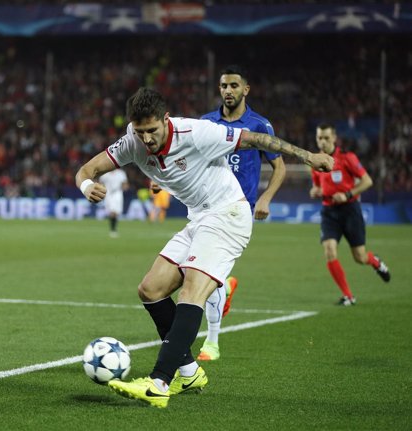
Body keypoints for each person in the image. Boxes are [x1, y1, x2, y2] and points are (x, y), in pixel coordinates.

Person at [76, 87, 333, 408]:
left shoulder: (197, 133)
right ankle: (188, 370)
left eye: (152, 131)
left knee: (191, 292)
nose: (146, 140)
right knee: (151, 289)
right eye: (140, 132)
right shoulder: (132, 142)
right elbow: (87, 170)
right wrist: (87, 186)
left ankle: (159, 383)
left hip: (228, 215)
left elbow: (255, 139)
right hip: (198, 219)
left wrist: (309, 157)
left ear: (166, 121)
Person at [196, 65, 286, 361]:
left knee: (205, 272)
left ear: (245, 89)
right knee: (204, 273)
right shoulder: (206, 122)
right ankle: (225, 287)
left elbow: (280, 166)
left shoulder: (260, 125)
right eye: (224, 86)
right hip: (205, 206)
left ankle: (211, 342)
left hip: (238, 210)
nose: (228, 91)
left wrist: (266, 198)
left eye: (234, 85)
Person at [309, 123, 391, 306]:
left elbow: (367, 181)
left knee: (360, 257)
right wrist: (315, 190)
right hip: (329, 212)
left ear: (334, 138)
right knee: (329, 251)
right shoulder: (314, 161)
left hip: (350, 210)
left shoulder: (347, 158)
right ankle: (348, 296)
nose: (322, 142)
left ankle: (375, 262)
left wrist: (347, 194)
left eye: (326, 138)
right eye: (319, 138)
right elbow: (317, 185)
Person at [97, 168, 128, 237]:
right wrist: (102, 189)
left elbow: (125, 183)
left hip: (118, 193)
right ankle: (113, 230)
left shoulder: (121, 173)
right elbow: (100, 182)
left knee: (116, 213)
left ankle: (113, 229)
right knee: (112, 212)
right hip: (108, 194)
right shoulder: (105, 173)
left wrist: (124, 187)